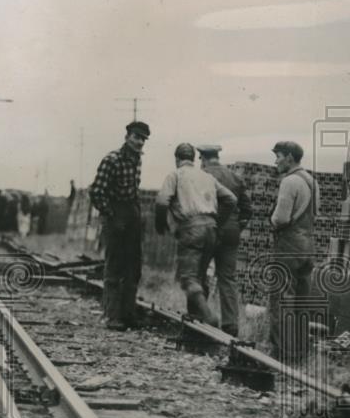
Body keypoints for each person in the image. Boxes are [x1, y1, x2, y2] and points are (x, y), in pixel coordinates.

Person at [155, 144, 237, 327]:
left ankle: (208, 317)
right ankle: (195, 324)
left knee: (188, 278)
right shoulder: (206, 176)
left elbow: (161, 201)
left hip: (191, 229)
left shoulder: (175, 174)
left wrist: (160, 225)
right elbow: (231, 199)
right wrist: (218, 221)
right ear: (193, 158)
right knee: (199, 278)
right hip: (211, 229)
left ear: (177, 159)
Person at [90, 121, 150, 330]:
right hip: (116, 216)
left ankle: (128, 314)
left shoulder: (137, 161)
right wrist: (111, 215)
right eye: (136, 137)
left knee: (133, 267)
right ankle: (112, 316)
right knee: (115, 267)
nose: (139, 142)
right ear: (127, 137)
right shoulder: (112, 160)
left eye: (143, 139)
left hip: (132, 215)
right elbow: (96, 191)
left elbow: (133, 192)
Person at [268, 140, 319, 363]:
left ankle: (281, 355)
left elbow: (280, 218)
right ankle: (299, 354)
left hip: (288, 246)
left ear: (289, 157)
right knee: (302, 303)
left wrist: (272, 221)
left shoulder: (289, 181)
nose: (276, 160)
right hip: (308, 246)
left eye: (278, 155)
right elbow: (314, 213)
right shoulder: (312, 181)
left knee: (282, 300)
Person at [197, 144, 253, 337]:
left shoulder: (201, 176)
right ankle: (231, 326)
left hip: (206, 231)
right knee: (227, 279)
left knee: (199, 274)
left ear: (202, 158)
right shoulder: (234, 177)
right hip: (230, 233)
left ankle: (200, 319)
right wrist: (236, 226)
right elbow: (247, 209)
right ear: (217, 157)